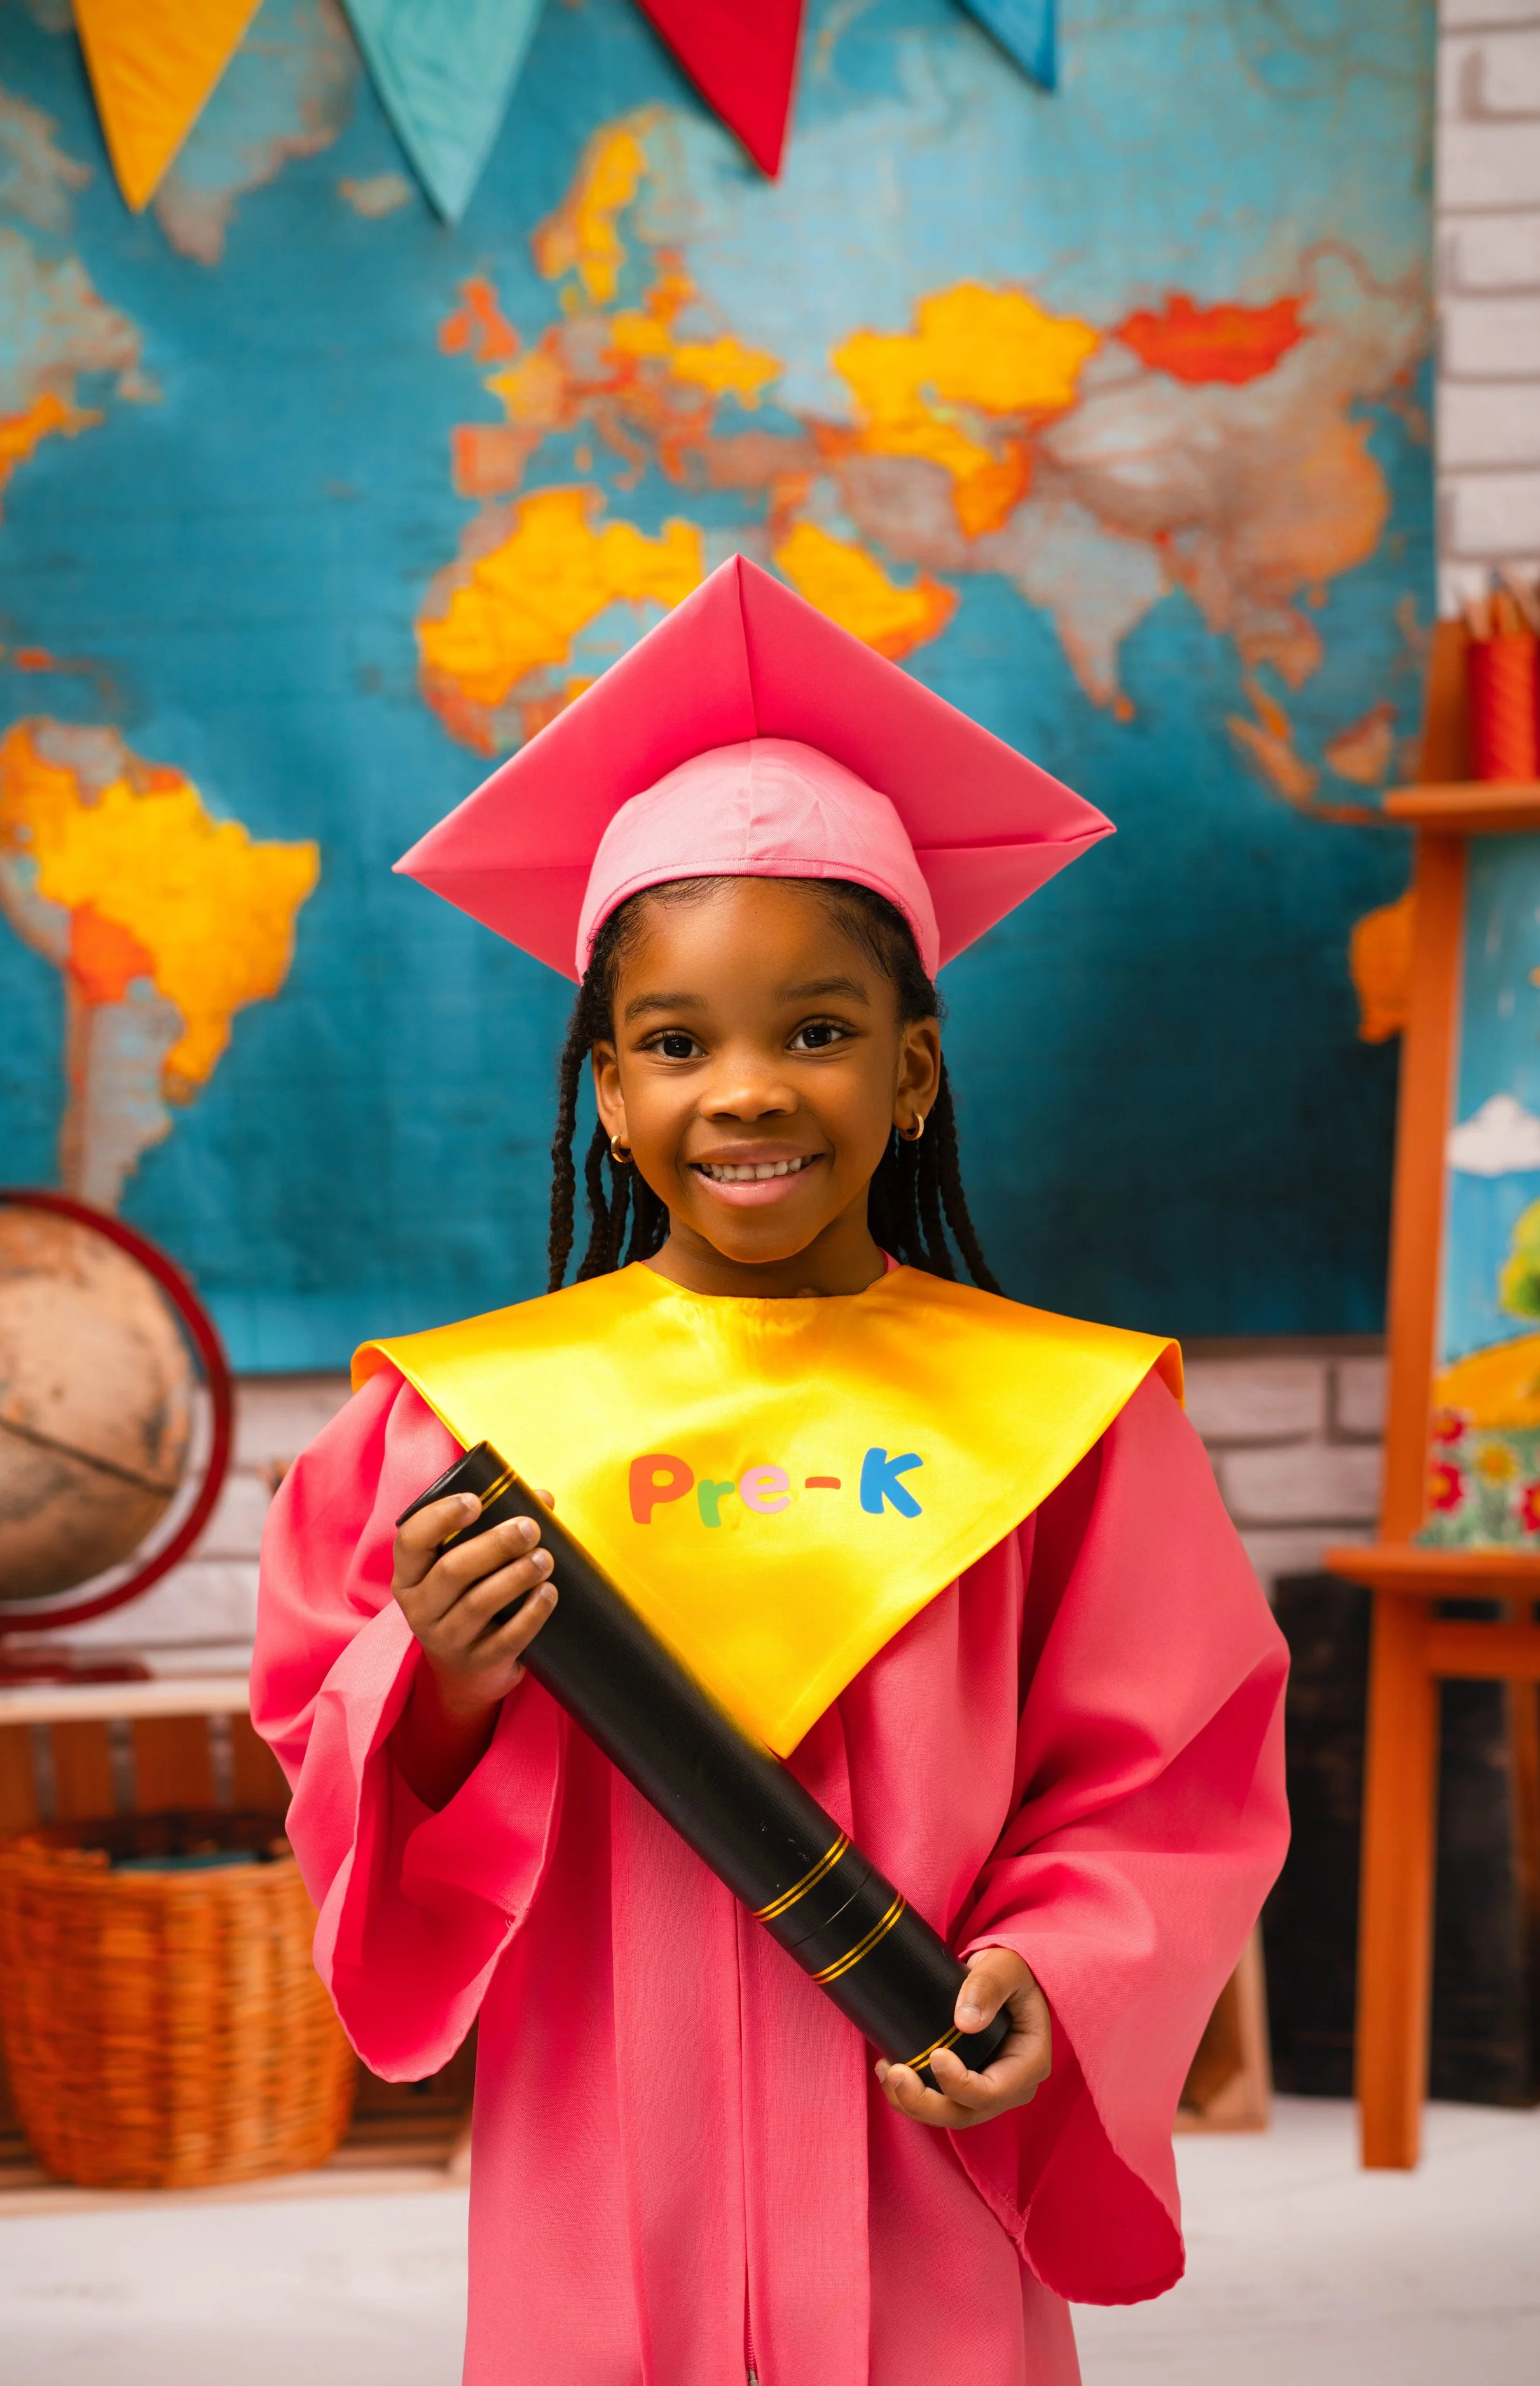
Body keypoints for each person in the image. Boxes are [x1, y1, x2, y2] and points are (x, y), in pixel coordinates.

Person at [252, 556, 1288, 2386]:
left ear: (910, 1076)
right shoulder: (455, 1424)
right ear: (605, 1091)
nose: (744, 1090)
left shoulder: (1071, 1422)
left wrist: (1058, 1971)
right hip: (604, 2155)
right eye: (675, 1043)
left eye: (816, 1030)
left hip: (920, 2134)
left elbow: (1164, 1780)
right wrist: (437, 1678)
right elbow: (322, 1729)